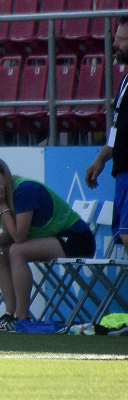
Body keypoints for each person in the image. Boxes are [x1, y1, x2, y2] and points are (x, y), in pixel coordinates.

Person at [0, 155, 96, 332]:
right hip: (55, 239)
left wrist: (1, 204)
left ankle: (21, 318)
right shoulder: (3, 194)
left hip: (77, 239)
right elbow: (13, 232)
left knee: (17, 250)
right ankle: (10, 314)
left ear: (5, 174)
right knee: (1, 252)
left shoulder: (24, 189)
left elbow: (18, 237)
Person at [86, 15, 128, 252]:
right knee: (124, 236)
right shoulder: (125, 82)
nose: (115, 45)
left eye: (121, 39)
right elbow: (117, 128)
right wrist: (101, 158)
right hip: (122, 172)